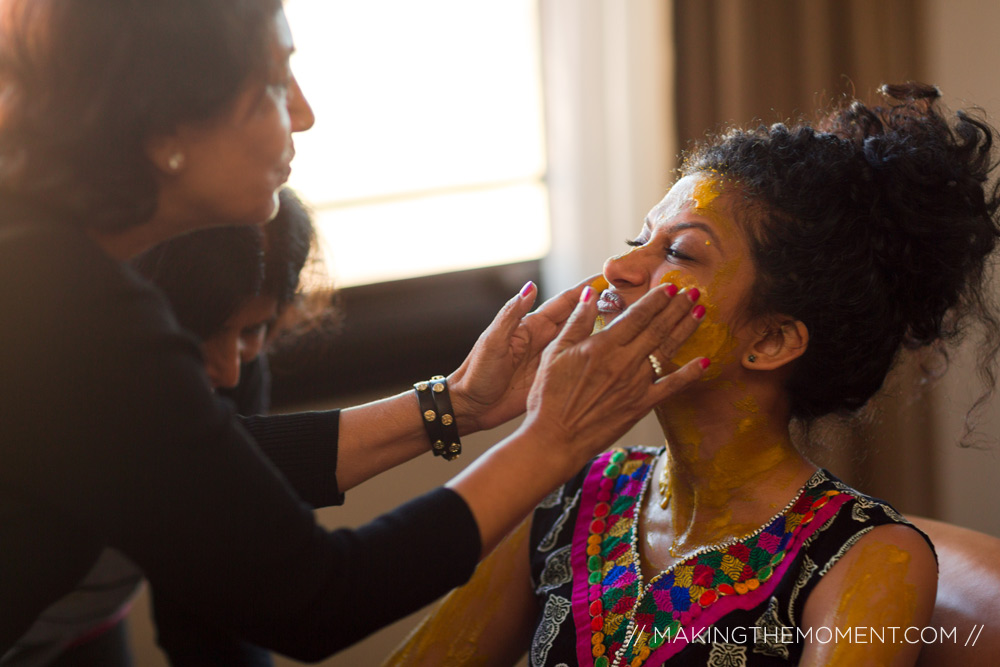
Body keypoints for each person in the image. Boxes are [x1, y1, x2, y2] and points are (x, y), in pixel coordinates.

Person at [0, 1, 711, 662]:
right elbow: (312, 596)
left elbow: (193, 457)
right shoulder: (62, 306)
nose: (304, 114)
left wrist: (456, 402)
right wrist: (551, 441)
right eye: (274, 85)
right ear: (164, 130)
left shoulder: (55, 269)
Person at [385, 82, 1000, 666]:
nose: (619, 267)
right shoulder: (572, 493)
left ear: (771, 339)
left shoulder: (868, 559)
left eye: (678, 253)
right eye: (639, 239)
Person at [2, 189, 320, 667]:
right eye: (201, 333)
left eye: (253, 331)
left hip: (85, 635)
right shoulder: (39, 378)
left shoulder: (236, 379)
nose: (229, 369)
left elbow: (213, 608)